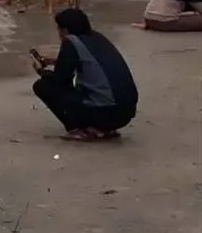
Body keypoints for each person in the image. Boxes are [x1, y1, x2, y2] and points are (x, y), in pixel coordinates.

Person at [31, 9, 138, 141]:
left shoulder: (70, 41)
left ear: (64, 30)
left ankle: (77, 129)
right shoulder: (98, 37)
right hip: (125, 112)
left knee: (42, 86)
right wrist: (55, 62)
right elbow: (94, 62)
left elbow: (60, 81)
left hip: (106, 112)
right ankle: (103, 128)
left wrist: (41, 71)